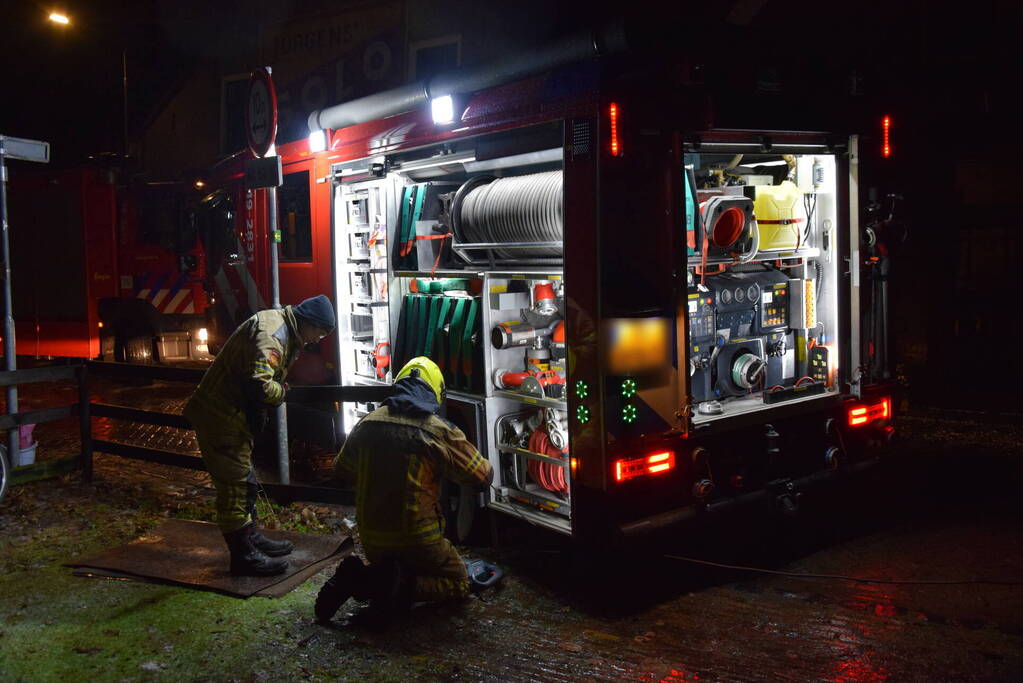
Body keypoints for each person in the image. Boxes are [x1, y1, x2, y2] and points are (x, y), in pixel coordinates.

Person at [315, 356, 496, 625]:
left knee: (396, 568)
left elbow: (341, 472)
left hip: (373, 539)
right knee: (457, 583)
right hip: (420, 539)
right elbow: (482, 477)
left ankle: (363, 578)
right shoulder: (438, 431)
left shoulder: (366, 424)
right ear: (436, 392)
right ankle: (378, 585)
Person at [184, 294, 336, 576]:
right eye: (319, 333)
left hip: (230, 416)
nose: (317, 340)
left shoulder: (279, 326)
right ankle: (243, 555)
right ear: (309, 323)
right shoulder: (275, 334)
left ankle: (250, 537)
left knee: (245, 482)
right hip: (221, 417)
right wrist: (281, 393)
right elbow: (260, 384)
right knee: (236, 486)